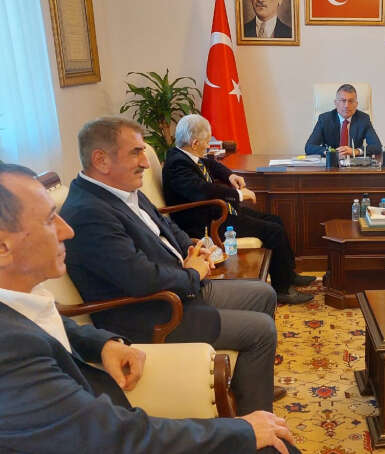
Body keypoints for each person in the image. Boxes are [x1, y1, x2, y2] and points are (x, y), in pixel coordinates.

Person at [0, 163, 300, 454]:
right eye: (49, 220)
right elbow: (112, 438)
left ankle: (254, 396)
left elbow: (47, 323)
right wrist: (242, 431)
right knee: (274, 442)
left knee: (262, 296)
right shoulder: (10, 351)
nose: (67, 230)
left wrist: (101, 343)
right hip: (155, 312)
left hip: (171, 296)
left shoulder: (21, 302)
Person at [61, 116, 280, 415]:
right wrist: (192, 274)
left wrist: (192, 246)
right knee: (261, 330)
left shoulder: (121, 189)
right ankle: (253, 424)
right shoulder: (89, 212)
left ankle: (251, 384)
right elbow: (140, 279)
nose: (146, 163)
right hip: (153, 313)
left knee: (264, 294)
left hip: (178, 289)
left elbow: (166, 225)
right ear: (101, 160)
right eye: (136, 153)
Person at [163, 114, 315, 305]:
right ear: (194, 143)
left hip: (217, 212)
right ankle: (283, 290)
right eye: (207, 142)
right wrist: (238, 195)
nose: (208, 146)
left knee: (275, 220)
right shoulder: (177, 165)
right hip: (206, 223)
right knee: (273, 231)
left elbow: (210, 164)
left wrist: (230, 175)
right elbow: (203, 191)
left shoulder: (185, 156)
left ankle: (288, 274)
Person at [305, 84, 382, 158]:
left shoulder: (363, 119)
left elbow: (377, 146)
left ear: (356, 104)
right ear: (336, 103)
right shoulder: (325, 119)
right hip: (332, 163)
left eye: (351, 101)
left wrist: (356, 151)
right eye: (343, 101)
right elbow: (309, 147)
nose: (346, 105)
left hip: (354, 163)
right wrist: (332, 152)